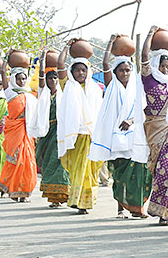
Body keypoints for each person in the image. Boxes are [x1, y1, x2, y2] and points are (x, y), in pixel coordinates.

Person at [90, 35, 152, 219]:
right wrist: (110, 43)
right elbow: (105, 64)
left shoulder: (137, 87)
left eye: (127, 70)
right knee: (119, 176)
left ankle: (138, 209)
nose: (125, 74)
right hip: (116, 140)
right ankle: (120, 209)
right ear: (116, 72)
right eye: (121, 71)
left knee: (140, 174)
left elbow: (143, 108)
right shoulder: (112, 86)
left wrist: (131, 120)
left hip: (135, 138)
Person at [141, 26, 168, 226]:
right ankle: (159, 209)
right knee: (160, 170)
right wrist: (150, 35)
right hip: (154, 128)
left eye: (167, 66)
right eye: (162, 66)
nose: (165, 69)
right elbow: (143, 57)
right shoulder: (149, 80)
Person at [57, 41, 104, 215]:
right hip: (76, 136)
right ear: (72, 72)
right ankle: (77, 200)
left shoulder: (95, 89)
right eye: (77, 70)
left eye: (83, 70)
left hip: (92, 136)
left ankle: (86, 201)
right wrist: (67, 48)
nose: (80, 73)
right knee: (78, 169)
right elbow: (60, 65)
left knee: (90, 170)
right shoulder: (68, 85)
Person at [0, 52, 51, 202]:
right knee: (16, 162)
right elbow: (3, 72)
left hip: (27, 133)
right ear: (13, 79)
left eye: (23, 78)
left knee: (27, 162)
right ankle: (14, 191)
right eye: (18, 79)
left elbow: (42, 81)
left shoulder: (30, 95)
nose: (21, 81)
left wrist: (41, 63)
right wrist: (6, 58)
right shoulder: (10, 93)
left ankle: (25, 192)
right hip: (14, 132)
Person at [36, 60, 69, 206]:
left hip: (60, 131)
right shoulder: (43, 94)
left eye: (55, 78)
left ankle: (62, 195)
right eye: (50, 78)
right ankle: (52, 196)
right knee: (45, 161)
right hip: (45, 132)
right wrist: (42, 58)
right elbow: (41, 77)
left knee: (59, 161)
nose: (53, 80)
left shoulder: (63, 94)